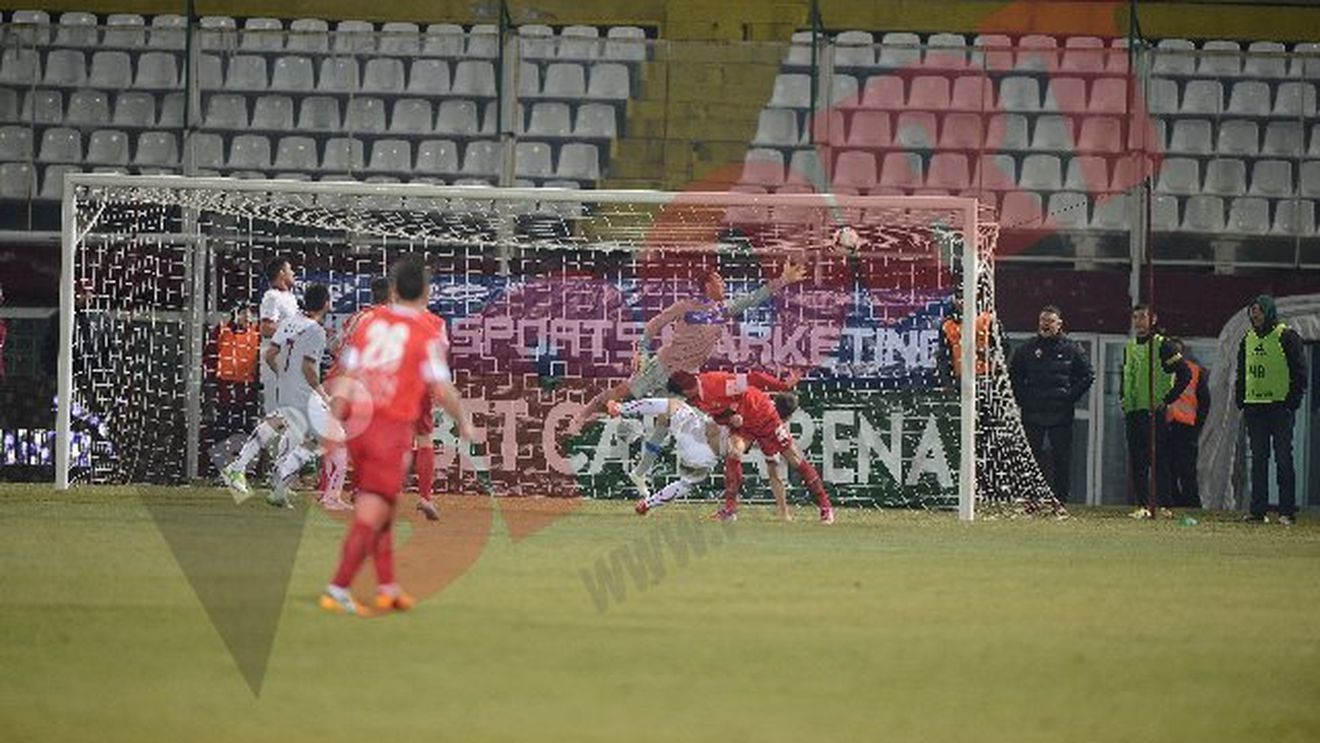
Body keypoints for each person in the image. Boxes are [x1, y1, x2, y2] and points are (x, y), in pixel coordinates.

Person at [567, 261, 806, 500]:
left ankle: (639, 473)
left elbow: (755, 297)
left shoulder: (723, 310)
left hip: (686, 376)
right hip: (662, 366)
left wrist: (783, 280)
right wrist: (641, 350)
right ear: (706, 286)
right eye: (718, 280)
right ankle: (582, 415)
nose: (723, 284)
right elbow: (654, 324)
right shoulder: (686, 306)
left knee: (665, 421)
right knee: (624, 391)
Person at [321, 256, 475, 615]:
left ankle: (388, 586)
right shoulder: (426, 331)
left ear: (393, 289)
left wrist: (333, 421)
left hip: (359, 424)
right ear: (425, 290)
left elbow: (349, 374)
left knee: (383, 505)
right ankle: (338, 587)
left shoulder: (369, 325)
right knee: (373, 510)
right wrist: (464, 421)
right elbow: (441, 387)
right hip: (388, 428)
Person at [668, 369, 833, 524]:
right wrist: (731, 418)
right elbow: (720, 415)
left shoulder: (718, 384)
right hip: (744, 426)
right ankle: (730, 511)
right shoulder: (695, 399)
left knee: (795, 460)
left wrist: (783, 386)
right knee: (733, 453)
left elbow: (752, 379)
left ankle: (826, 507)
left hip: (763, 415)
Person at [263, 283, 349, 511]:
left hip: (285, 394)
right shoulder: (315, 330)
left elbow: (270, 354)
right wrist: (323, 394)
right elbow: (309, 368)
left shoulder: (290, 323)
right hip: (305, 395)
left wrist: (283, 378)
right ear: (326, 304)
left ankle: (279, 489)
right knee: (337, 439)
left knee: (299, 438)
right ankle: (331, 498)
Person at [220, 257, 300, 494]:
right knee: (279, 417)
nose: (294, 272)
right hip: (275, 362)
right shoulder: (271, 297)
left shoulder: (290, 298)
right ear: (281, 274)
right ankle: (238, 467)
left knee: (290, 421)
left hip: (288, 360)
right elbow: (266, 327)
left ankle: (276, 476)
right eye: (290, 269)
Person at [1008, 305, 1094, 503]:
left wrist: (1069, 396)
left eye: (1050, 321)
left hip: (1060, 413)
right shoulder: (1027, 349)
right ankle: (1030, 499)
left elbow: (1087, 375)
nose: (1045, 325)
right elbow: (1014, 376)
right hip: (1033, 412)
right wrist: (1024, 399)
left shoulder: (1071, 348)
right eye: (1042, 321)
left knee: (1061, 459)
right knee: (1030, 458)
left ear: (1059, 324)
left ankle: (1060, 500)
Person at [1235, 295, 1307, 525]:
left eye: (1259, 310)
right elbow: (1242, 372)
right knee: (1258, 461)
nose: (1255, 314)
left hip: (1279, 409)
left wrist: (1291, 402)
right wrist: (1241, 400)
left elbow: (1299, 371)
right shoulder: (1247, 339)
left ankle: (1286, 511)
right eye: (1252, 310)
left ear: (1269, 312)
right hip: (1255, 409)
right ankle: (1258, 511)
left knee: (1283, 459)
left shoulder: (1287, 336)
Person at [1121, 303, 1174, 518]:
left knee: (1158, 459)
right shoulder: (1131, 346)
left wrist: (1167, 399)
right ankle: (1142, 505)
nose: (1138, 322)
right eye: (1135, 317)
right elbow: (1126, 375)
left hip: (1153, 411)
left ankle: (1165, 506)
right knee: (1137, 460)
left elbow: (1184, 373)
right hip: (1133, 409)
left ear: (1153, 319)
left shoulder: (1163, 345)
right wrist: (1122, 397)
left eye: (1142, 317)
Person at [1158, 338, 1209, 509]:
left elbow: (1204, 401)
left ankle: (1192, 506)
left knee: (1186, 471)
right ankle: (1172, 505)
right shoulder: (1160, 371)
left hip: (1186, 427)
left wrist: (1197, 425)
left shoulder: (1195, 372)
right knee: (1167, 471)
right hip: (1165, 426)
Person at [213, 304, 261, 442]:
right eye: (244, 314)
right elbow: (210, 355)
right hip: (225, 386)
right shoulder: (223, 330)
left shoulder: (255, 332)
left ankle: (242, 458)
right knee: (223, 424)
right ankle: (221, 459)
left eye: (249, 315)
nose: (247, 318)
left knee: (244, 426)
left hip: (247, 388)